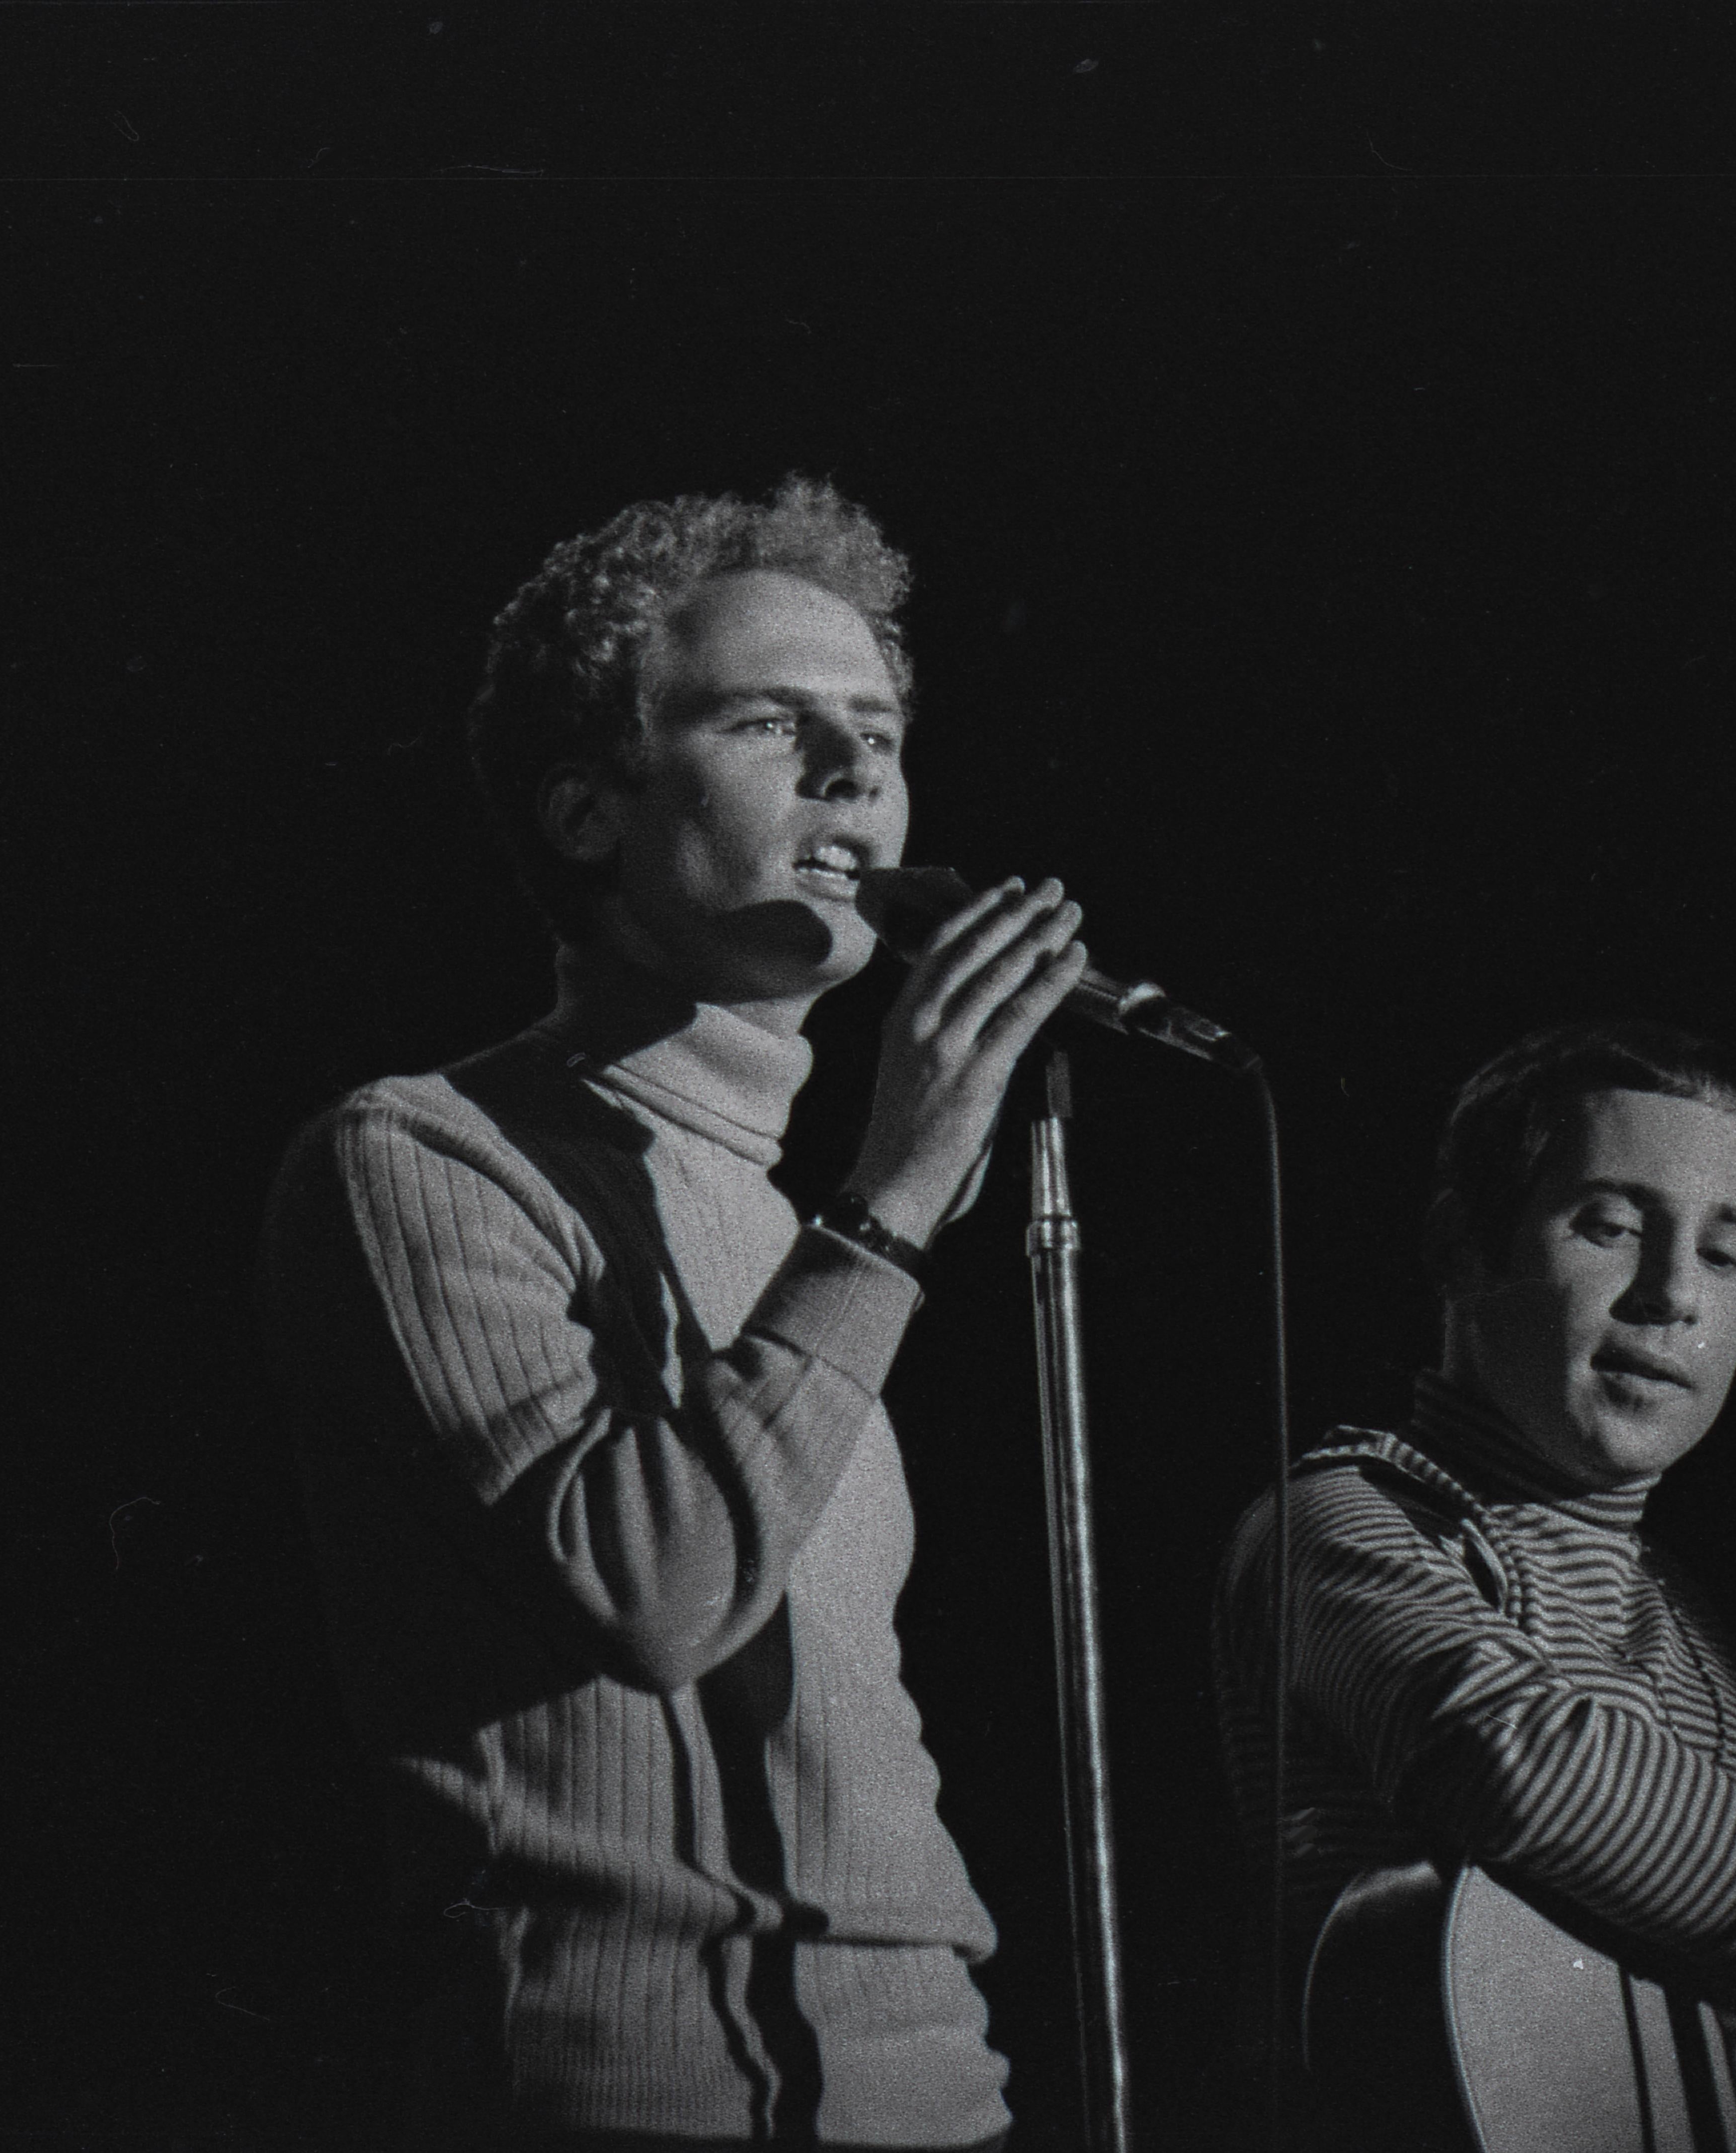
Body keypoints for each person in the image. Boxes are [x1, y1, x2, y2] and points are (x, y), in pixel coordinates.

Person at [261, 480, 1084, 2151]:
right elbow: (652, 1597)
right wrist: (896, 1201)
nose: (857, 774)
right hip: (631, 2094)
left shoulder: (798, 1225)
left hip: (936, 2088)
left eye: (876, 730)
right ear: (587, 813)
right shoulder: (423, 1154)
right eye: (776, 723)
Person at [1212, 1021, 1736, 2147]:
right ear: (1460, 1246)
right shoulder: (1337, 1516)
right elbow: (1523, 1760)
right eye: (1609, 1225)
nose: (1672, 1295)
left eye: (1723, 1249)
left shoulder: (1681, 1605)